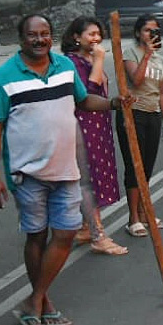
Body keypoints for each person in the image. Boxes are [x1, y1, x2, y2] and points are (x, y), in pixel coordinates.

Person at [0, 14, 121, 325]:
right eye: (33, 35)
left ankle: (34, 299)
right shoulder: (3, 77)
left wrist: (114, 102)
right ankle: (42, 305)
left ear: (52, 37)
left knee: (66, 232)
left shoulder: (64, 67)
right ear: (21, 40)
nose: (39, 40)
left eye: (45, 34)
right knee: (37, 236)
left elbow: (84, 100)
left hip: (66, 170)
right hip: (27, 173)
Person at [60, 17, 127, 256]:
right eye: (91, 34)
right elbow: (88, 91)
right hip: (82, 126)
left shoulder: (89, 58)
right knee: (88, 180)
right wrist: (99, 59)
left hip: (100, 126)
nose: (96, 39)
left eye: (98, 34)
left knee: (97, 175)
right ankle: (98, 234)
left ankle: (85, 226)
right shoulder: (72, 62)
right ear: (76, 37)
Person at [118, 14, 163, 236]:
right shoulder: (131, 54)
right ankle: (133, 218)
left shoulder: (160, 60)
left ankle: (144, 212)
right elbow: (137, 81)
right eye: (147, 30)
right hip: (134, 114)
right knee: (134, 167)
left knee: (148, 167)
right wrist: (148, 53)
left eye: (155, 30)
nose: (152, 34)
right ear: (138, 33)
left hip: (153, 115)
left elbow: (160, 93)